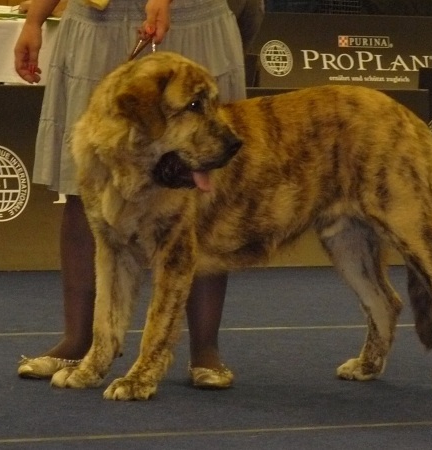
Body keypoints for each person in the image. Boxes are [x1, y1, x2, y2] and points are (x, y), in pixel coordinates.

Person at [15, 0, 262, 389]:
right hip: (96, 24)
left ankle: (205, 349)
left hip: (190, 18)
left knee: (203, 193)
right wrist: (35, 18)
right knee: (85, 188)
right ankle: (81, 342)